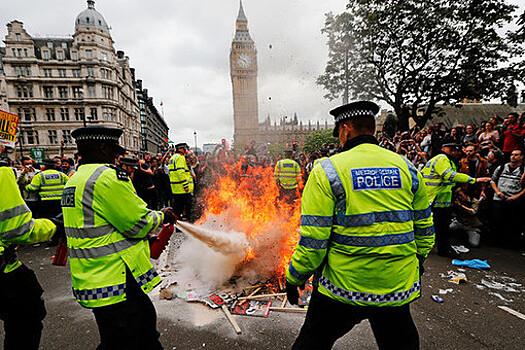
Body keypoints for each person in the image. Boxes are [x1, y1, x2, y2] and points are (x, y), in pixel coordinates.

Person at [286, 101, 435, 350]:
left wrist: (295, 276)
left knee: (313, 342)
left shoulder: (327, 171)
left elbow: (314, 241)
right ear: (372, 129)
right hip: (394, 286)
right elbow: (425, 230)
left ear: (346, 130)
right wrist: (416, 260)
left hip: (343, 287)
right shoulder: (407, 168)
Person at [62, 126, 176, 349]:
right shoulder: (107, 177)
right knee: (132, 339)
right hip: (117, 279)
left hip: (93, 278)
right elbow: (138, 224)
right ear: (103, 148)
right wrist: (162, 215)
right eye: (115, 149)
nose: (117, 156)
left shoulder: (75, 179)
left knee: (124, 338)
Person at [0, 144, 59, 349]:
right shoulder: (1, 173)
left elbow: (32, 188)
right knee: (26, 320)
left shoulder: (41, 176)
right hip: (4, 269)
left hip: (43, 203)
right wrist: (56, 226)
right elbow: (19, 230)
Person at [421, 141, 491, 258]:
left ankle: (436, 248)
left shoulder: (444, 160)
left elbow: (449, 182)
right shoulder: (442, 159)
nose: (455, 152)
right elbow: (450, 176)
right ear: (445, 148)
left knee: (438, 227)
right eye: (452, 149)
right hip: (437, 200)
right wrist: (474, 180)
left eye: (456, 149)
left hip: (438, 200)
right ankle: (442, 250)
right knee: (441, 228)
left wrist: (457, 191)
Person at [490, 149, 525, 252]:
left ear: (521, 157)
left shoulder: (523, 170)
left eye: (516, 155)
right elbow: (492, 180)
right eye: (512, 154)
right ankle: (495, 242)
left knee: (511, 221)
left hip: (513, 198)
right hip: (499, 197)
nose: (513, 157)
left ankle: (508, 243)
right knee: (496, 219)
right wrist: (497, 192)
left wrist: (516, 196)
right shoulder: (501, 168)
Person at [168, 143, 194, 220]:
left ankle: (178, 225)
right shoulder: (180, 157)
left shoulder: (173, 158)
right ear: (181, 149)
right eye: (184, 148)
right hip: (182, 189)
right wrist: (186, 185)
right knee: (189, 207)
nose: (185, 150)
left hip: (176, 188)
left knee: (177, 208)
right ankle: (191, 224)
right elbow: (180, 172)